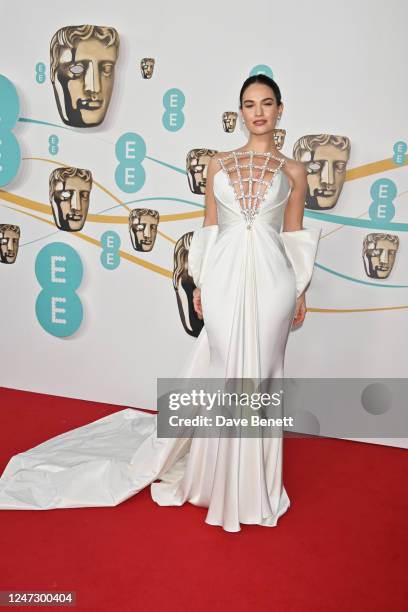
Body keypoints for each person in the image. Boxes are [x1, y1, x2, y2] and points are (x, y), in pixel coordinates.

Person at [0, 75, 321, 532]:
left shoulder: (294, 172)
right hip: (224, 278)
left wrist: (301, 289)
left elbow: (294, 234)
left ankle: (255, 488)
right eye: (249, 104)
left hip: (273, 281)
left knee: (261, 376)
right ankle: (215, 482)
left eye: (267, 103)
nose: (258, 112)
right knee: (225, 370)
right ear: (240, 110)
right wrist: (197, 282)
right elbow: (209, 226)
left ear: (280, 109)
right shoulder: (217, 164)